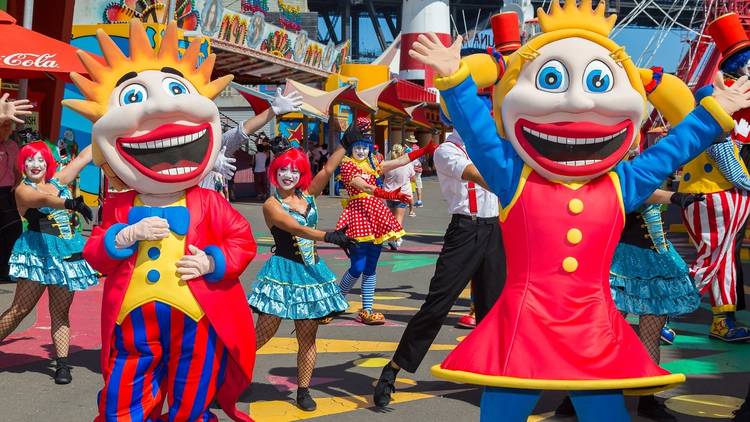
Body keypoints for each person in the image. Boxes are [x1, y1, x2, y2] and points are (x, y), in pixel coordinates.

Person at [408, 0, 748, 418]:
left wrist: (714, 115)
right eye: (551, 79)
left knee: (605, 413)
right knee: (503, 409)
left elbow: (672, 152)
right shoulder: (515, 177)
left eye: (598, 84)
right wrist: (455, 79)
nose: (577, 104)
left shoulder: (621, 182)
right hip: (525, 325)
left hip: (593, 329)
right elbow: (479, 133)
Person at [64, 20, 256, 421]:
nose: (161, 108)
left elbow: (243, 241)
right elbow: (95, 252)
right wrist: (125, 234)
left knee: (193, 395)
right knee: (123, 399)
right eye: (134, 97)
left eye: (176, 91)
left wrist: (211, 262)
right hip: (132, 321)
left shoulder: (207, 201)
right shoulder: (119, 205)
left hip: (197, 317)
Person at [373, 130, 505, 407]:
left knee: (494, 309)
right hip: (465, 231)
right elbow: (479, 176)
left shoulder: (494, 143)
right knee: (437, 305)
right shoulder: (447, 151)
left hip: (495, 230)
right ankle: (393, 369)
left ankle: (493, 376)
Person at [555, 189, 703, 421]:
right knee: (601, 333)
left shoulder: (643, 162)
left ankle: (648, 398)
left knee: (650, 336)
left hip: (657, 259)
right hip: (620, 260)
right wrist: (674, 197)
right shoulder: (615, 168)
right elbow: (636, 191)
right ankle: (578, 394)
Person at [247, 137, 355, 411]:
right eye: (283, 170)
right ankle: (223, 379)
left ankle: (303, 391)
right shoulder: (271, 204)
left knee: (307, 338)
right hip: (282, 274)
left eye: (294, 171)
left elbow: (328, 170)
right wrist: (329, 235)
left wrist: (345, 143)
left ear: (301, 174)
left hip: (310, 276)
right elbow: (297, 229)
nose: (288, 175)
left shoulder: (307, 195)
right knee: (261, 336)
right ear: (275, 172)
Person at [677, 13, 750, 342]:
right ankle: (659, 311)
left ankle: (723, 320)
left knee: (722, 261)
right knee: (710, 259)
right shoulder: (718, 98)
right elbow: (721, 150)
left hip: (730, 196)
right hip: (712, 192)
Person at [0, 141, 96, 385]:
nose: (35, 165)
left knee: (60, 312)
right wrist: (70, 203)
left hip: (65, 256)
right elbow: (42, 200)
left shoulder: (57, 182)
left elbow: (84, 157)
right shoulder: (22, 189)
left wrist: (108, 128)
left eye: (41, 159)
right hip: (37, 255)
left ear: (48, 162)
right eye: (30, 160)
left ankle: (62, 366)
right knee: (20, 310)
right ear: (22, 164)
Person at [336, 118, 436, 325]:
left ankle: (367, 309)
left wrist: (425, 149)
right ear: (351, 149)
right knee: (357, 266)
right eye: (358, 147)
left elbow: (400, 161)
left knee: (371, 266)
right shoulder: (347, 166)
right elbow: (365, 188)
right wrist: (393, 196)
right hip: (358, 217)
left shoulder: (373, 163)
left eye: (365, 147)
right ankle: (334, 302)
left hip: (377, 217)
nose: (362, 151)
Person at [0, 94, 32, 281]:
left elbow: (17, 169)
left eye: (8, 126)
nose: (7, 129)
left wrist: (19, 185)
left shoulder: (12, 145)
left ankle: (5, 269)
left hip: (7, 193)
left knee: (13, 229)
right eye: (3, 125)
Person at [381, 144, 415, 250]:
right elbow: (413, 178)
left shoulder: (387, 165)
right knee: (399, 218)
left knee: (391, 218)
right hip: (402, 194)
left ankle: (392, 238)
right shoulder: (407, 165)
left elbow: (381, 176)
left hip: (389, 193)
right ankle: (397, 239)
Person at [405, 135, 425, 207]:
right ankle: (419, 201)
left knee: (410, 185)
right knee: (418, 185)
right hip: (419, 169)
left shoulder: (408, 149)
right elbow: (423, 158)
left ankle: (409, 201)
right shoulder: (419, 148)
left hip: (412, 169)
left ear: (409, 142)